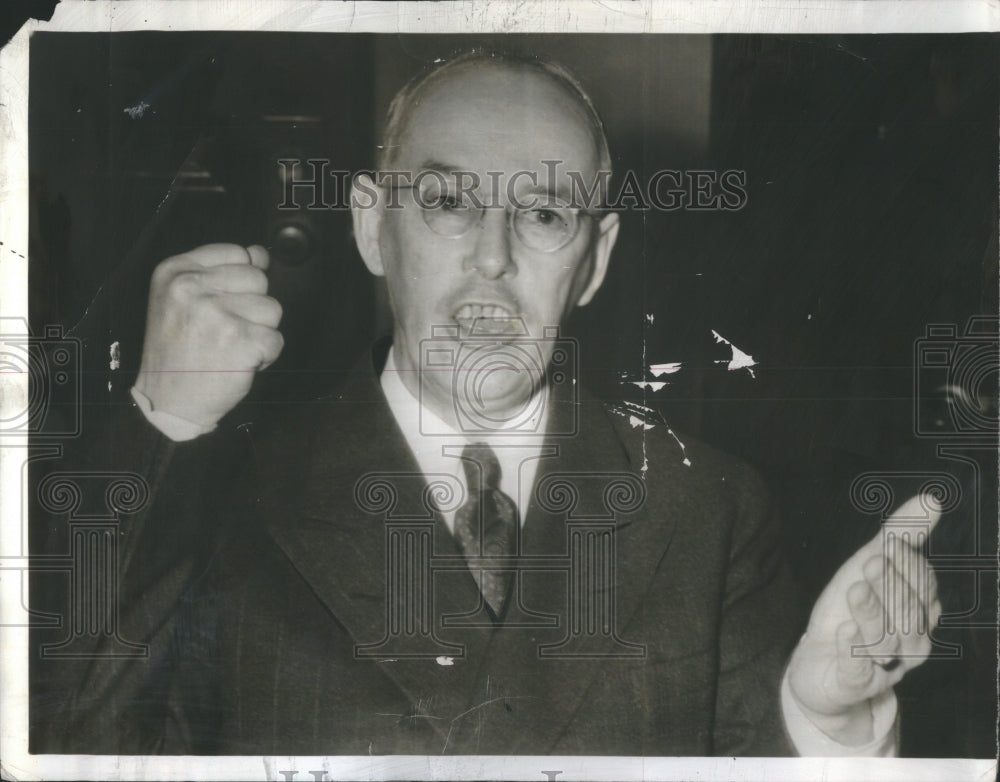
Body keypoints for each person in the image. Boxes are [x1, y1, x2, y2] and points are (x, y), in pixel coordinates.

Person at [31, 50, 942, 757]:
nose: (494, 258)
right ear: (369, 225)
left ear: (595, 259)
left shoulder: (708, 509)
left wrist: (826, 721)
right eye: (448, 203)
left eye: (544, 215)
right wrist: (162, 419)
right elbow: (76, 751)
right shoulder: (217, 486)